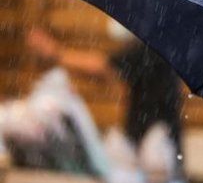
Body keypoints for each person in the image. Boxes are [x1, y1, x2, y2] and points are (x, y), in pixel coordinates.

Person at [27, 22, 185, 168]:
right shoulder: (156, 48)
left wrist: (55, 53)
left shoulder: (147, 49)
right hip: (153, 146)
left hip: (157, 154)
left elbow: (101, 67)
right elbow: (108, 75)